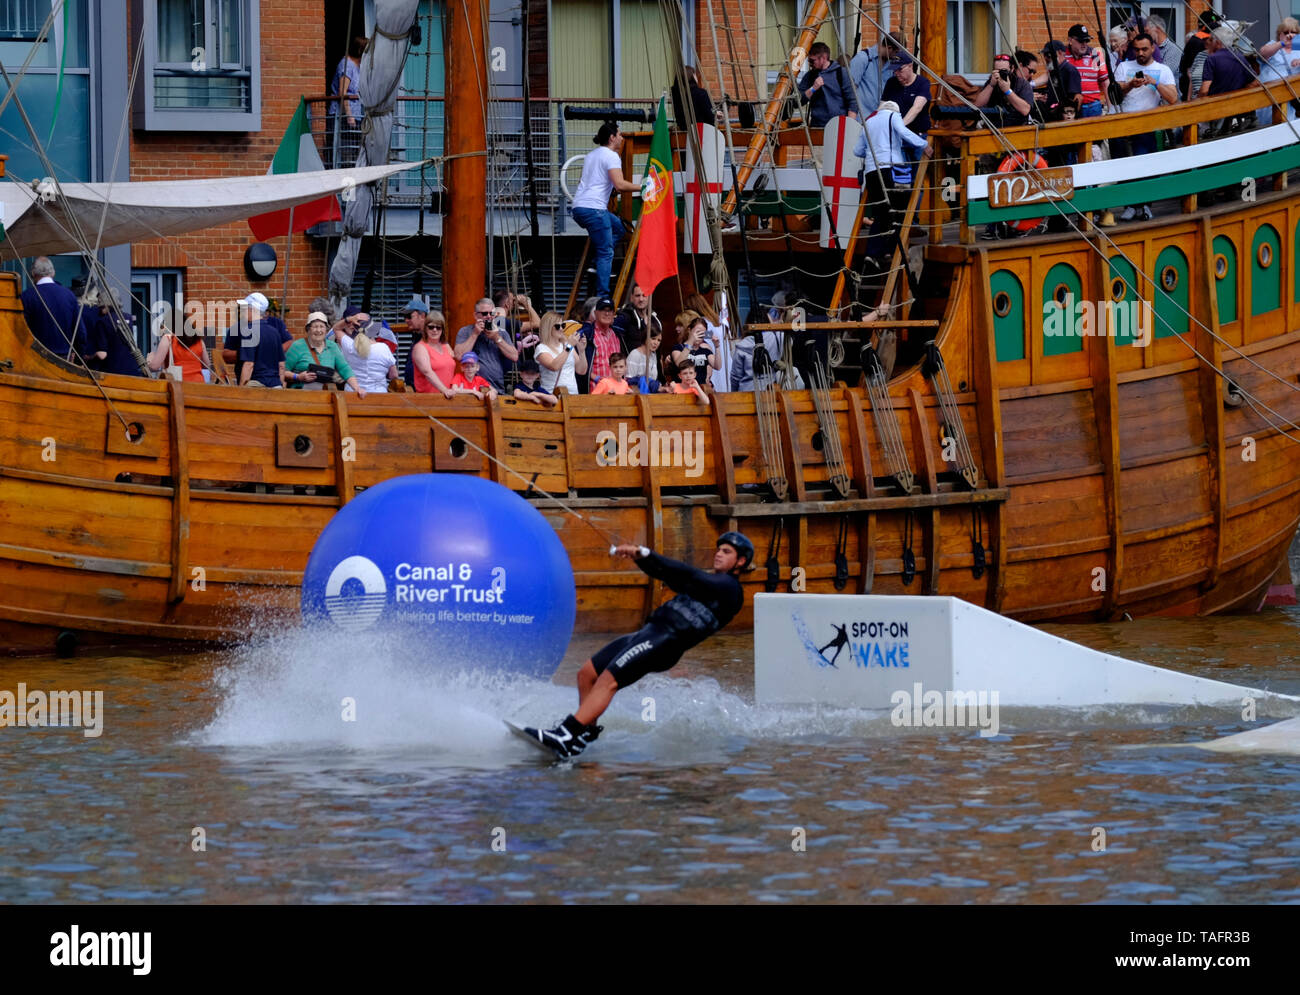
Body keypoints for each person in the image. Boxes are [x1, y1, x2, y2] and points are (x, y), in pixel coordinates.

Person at [521, 532, 754, 758]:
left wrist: (646, 552)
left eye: (726, 551)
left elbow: (688, 574)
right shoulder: (708, 584)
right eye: (718, 550)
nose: (718, 554)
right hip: (648, 633)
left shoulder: (730, 590)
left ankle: (566, 735)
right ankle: (585, 735)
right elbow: (667, 574)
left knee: (607, 680)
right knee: (587, 674)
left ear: (740, 562)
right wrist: (640, 558)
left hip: (665, 641)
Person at [571, 122, 639, 298]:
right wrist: (643, 187)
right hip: (595, 209)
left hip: (579, 207)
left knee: (619, 228)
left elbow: (586, 182)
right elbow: (620, 184)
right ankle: (603, 296)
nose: (622, 138)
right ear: (612, 138)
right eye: (620, 135)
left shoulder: (591, 155)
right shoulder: (612, 156)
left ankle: (597, 263)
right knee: (606, 251)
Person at [1114, 33, 1178, 222]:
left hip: (1148, 124)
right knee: (1123, 165)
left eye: (1144, 49)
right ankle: (1130, 205)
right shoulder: (1124, 67)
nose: (1140, 53)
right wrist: (1130, 85)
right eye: (1137, 49)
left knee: (1146, 166)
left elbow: (1173, 98)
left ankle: (1144, 205)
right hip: (1125, 123)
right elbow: (1116, 95)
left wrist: (1155, 82)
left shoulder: (1163, 69)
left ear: (1152, 48)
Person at [853, 99, 927, 259]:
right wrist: (924, 144)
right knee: (900, 209)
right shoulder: (893, 117)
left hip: (872, 173)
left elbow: (857, 150)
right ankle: (891, 250)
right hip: (891, 169)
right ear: (896, 111)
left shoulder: (869, 121)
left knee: (880, 213)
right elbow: (904, 132)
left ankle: (872, 254)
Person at [285, 311, 366, 395]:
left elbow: (344, 368)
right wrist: (298, 377)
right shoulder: (297, 346)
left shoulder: (333, 346)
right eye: (315, 327)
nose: (318, 330)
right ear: (308, 329)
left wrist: (356, 388)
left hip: (326, 395)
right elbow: (283, 371)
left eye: (322, 327)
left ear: (326, 330)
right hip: (300, 395)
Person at [21, 256, 86, 359]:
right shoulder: (69, 295)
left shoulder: (27, 297)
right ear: (53, 273)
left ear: (33, 273)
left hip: (36, 357)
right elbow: (80, 331)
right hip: (65, 357)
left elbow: (21, 330)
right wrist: (79, 356)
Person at [455, 296, 519, 394]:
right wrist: (475, 334)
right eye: (485, 313)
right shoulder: (465, 331)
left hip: (496, 389)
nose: (489, 316)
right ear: (476, 315)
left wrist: (496, 338)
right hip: (471, 390)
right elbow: (459, 355)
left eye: (492, 313)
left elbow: (514, 356)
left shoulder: (501, 332)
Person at [881, 51, 930, 164]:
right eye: (894, 70)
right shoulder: (891, 83)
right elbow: (882, 108)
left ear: (910, 66)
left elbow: (916, 108)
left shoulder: (922, 83)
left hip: (918, 136)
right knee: (901, 175)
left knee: (918, 177)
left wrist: (900, 126)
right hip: (898, 139)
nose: (897, 73)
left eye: (900, 69)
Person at [234, 294, 292, 388]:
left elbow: (249, 364)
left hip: (256, 385)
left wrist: (241, 389)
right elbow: (281, 364)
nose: (242, 312)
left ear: (253, 310)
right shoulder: (275, 332)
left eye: (245, 308)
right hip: (275, 384)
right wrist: (281, 386)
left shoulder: (249, 331)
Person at [798, 41, 859, 128]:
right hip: (817, 126)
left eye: (812, 60)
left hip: (839, 127)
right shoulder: (810, 76)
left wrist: (848, 128)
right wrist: (813, 88)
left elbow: (853, 102)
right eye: (809, 61)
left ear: (823, 58)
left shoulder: (841, 73)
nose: (810, 64)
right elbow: (799, 101)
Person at [329, 35, 365, 168]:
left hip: (356, 115)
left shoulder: (358, 66)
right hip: (344, 117)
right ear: (361, 50)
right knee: (346, 153)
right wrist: (349, 116)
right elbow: (343, 92)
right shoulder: (347, 65)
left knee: (357, 151)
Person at [1257, 18, 1300, 128]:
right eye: (1286, 32)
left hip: (1293, 97)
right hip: (1271, 94)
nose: (1289, 35)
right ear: (1279, 34)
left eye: (1293, 32)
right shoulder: (1274, 45)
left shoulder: (1298, 47)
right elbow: (1262, 54)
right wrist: (1282, 43)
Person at [849, 30, 903, 119]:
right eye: (896, 53)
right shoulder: (863, 58)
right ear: (889, 48)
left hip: (880, 120)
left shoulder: (892, 64)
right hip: (861, 119)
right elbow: (850, 90)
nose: (897, 57)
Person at [973, 52, 1034, 126]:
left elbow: (1025, 110)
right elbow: (977, 105)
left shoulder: (1022, 84)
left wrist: (1007, 91)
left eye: (1004, 70)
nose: (1001, 73)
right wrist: (991, 85)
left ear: (1012, 69)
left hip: (1016, 127)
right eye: (997, 70)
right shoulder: (991, 82)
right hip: (994, 126)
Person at [534, 311, 586, 395]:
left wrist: (582, 351)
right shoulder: (541, 348)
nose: (562, 329)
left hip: (573, 395)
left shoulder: (567, 345)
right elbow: (554, 366)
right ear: (548, 328)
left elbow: (581, 371)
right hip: (552, 396)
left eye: (563, 325)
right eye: (558, 326)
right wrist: (569, 346)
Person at [581, 296, 626, 392]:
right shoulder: (587, 335)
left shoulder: (618, 335)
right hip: (596, 390)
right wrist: (597, 378)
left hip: (617, 391)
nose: (607, 313)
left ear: (614, 314)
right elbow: (580, 366)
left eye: (610, 311)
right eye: (603, 310)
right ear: (595, 313)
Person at [1064, 24, 1108, 117]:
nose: (1084, 44)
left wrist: (1111, 109)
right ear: (1070, 40)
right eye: (1080, 41)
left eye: (1086, 40)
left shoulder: (1096, 54)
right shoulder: (1062, 56)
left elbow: (1105, 82)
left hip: (1093, 107)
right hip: (1071, 110)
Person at [411, 308, 457, 398]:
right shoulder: (420, 347)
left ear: (442, 330)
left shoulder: (445, 346)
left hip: (449, 398)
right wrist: (445, 390)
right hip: (429, 400)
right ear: (425, 328)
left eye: (438, 327)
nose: (435, 330)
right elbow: (427, 372)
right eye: (431, 327)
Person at [1037, 40, 1083, 121]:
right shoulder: (1054, 70)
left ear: (1059, 53)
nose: (1045, 58)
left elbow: (1077, 97)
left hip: (1063, 119)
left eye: (1048, 55)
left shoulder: (1070, 70)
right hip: (1053, 116)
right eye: (1045, 55)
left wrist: (1071, 117)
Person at [1199, 26, 1249, 99]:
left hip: (1217, 104)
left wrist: (1197, 99)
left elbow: (1204, 90)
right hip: (1238, 103)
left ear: (1217, 43)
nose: (1210, 43)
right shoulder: (1240, 57)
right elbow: (1254, 83)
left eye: (1212, 40)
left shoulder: (1212, 59)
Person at [349, 321, 400, 393]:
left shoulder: (349, 347)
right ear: (372, 332)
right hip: (378, 394)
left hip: (351, 393)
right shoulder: (383, 348)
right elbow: (394, 375)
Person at [671, 315, 720, 384]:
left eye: (702, 334)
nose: (699, 336)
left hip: (700, 389)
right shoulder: (678, 348)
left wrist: (717, 347)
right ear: (689, 330)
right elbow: (679, 363)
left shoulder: (705, 350)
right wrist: (691, 341)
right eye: (697, 332)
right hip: (682, 390)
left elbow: (717, 366)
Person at [614, 282, 662, 349]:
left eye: (644, 295)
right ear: (631, 297)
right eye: (637, 296)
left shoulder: (655, 320)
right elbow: (614, 344)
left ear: (649, 297)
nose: (641, 299)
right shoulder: (623, 318)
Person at [625, 325, 665, 393]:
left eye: (659, 340)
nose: (656, 343)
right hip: (637, 395)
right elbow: (629, 381)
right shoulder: (635, 355)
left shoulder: (653, 355)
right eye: (653, 338)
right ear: (645, 338)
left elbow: (653, 379)